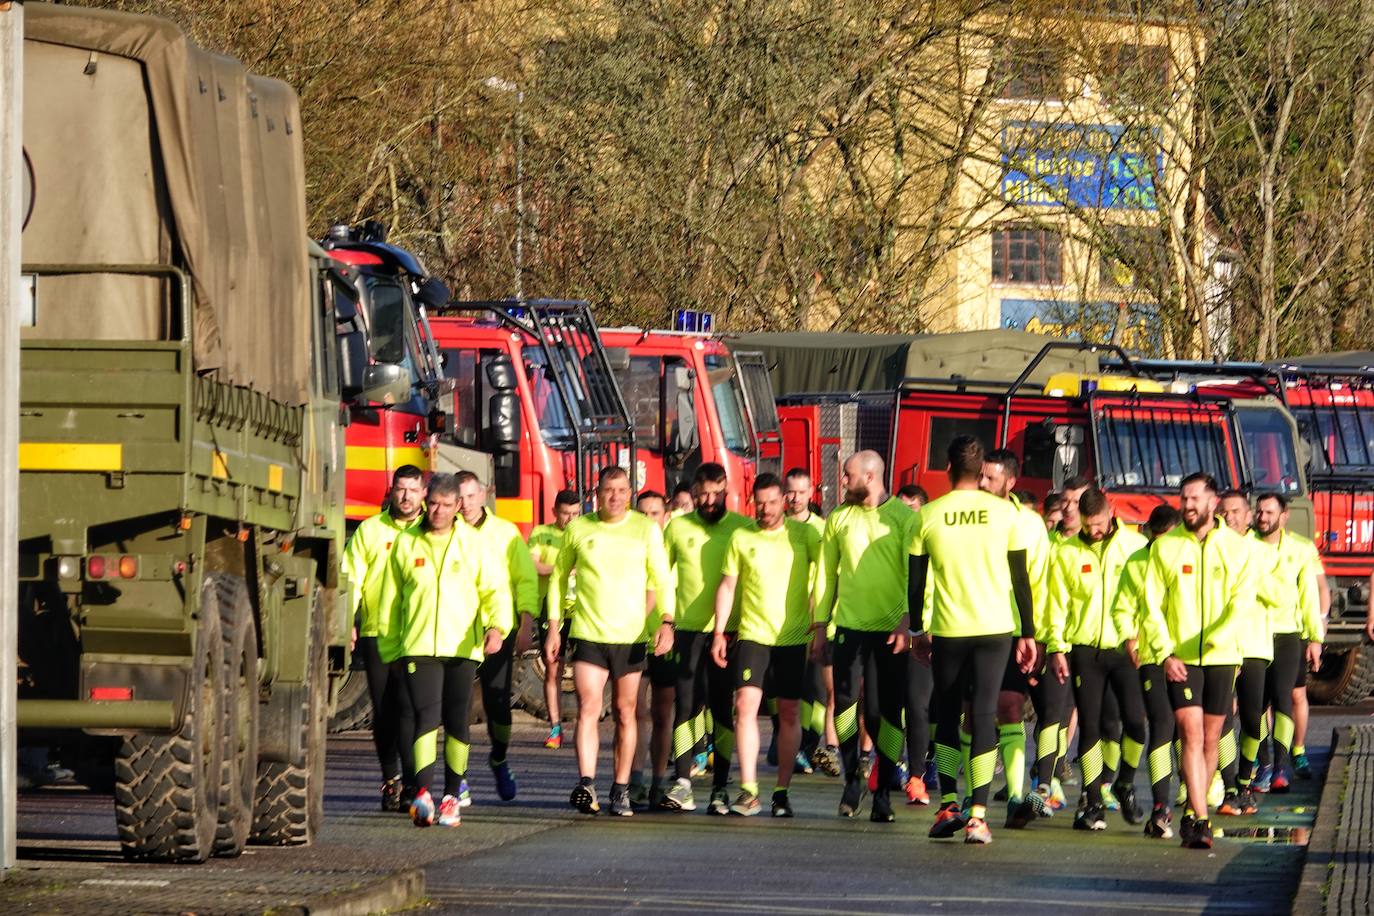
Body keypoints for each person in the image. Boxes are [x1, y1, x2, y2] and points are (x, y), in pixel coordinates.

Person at [910, 436, 1035, 845]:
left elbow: (916, 582)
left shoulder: (927, 514)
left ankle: (949, 803)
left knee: (947, 715)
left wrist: (916, 631)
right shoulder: (1005, 514)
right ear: (982, 472)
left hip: (949, 628)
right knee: (983, 715)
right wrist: (1028, 633)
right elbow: (1021, 579)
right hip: (995, 629)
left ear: (948, 468)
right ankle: (978, 817)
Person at [546, 467, 675, 816]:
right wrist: (554, 627)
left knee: (625, 711)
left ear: (629, 493)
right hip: (589, 632)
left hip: (630, 635)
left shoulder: (644, 529)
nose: (615, 497)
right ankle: (586, 783)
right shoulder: (578, 528)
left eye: (621, 490)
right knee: (589, 707)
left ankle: (621, 788)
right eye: (608, 490)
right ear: (596, 493)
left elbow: (662, 579)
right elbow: (558, 578)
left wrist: (666, 621)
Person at [387, 473, 510, 828]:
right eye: (434, 504)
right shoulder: (408, 543)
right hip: (419, 644)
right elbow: (394, 601)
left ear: (459, 506)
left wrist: (496, 627)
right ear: (427, 503)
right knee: (425, 717)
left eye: (446, 504)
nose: (438, 511)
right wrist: (391, 647)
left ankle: (451, 797)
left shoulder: (474, 544)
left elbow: (495, 590)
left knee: (457, 721)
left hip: (462, 646)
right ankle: (423, 793)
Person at [1141, 472, 1255, 849]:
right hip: (1182, 658)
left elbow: (1242, 601)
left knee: (1210, 739)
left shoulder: (1236, 548)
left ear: (1212, 502)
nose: (1187, 506)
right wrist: (1165, 651)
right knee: (1189, 734)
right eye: (1183, 499)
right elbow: (1151, 606)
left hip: (1222, 657)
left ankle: (1192, 809)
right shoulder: (1166, 547)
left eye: (1194, 499)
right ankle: (1202, 820)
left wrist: (1222, 637)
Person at [814, 450, 918, 823]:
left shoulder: (904, 519)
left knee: (882, 713)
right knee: (843, 704)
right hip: (848, 628)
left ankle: (884, 791)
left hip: (890, 632)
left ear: (871, 477)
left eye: (848, 475)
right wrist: (819, 624)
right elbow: (826, 573)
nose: (842, 481)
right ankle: (852, 777)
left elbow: (915, 575)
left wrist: (908, 622)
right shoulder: (839, 518)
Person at [711, 473, 822, 817]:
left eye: (773, 501)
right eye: (760, 502)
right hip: (752, 635)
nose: (766, 508)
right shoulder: (742, 537)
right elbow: (728, 586)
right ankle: (749, 790)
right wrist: (718, 631)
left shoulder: (805, 534)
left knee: (789, 713)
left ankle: (781, 792)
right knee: (744, 706)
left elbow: (827, 574)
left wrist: (819, 626)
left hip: (792, 638)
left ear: (784, 502)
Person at [1046, 486, 1149, 832]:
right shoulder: (1068, 553)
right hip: (1085, 648)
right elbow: (1056, 604)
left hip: (1126, 648)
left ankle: (1125, 782)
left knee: (1134, 722)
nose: (1095, 531)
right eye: (1088, 525)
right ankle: (1092, 801)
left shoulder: (1135, 548)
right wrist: (1056, 647)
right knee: (1089, 727)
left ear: (1111, 510)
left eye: (1100, 523)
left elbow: (1149, 598)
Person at [662, 464, 753, 815]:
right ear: (694, 493)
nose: (710, 500)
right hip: (687, 630)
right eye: (704, 494)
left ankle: (721, 787)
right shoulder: (678, 527)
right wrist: (665, 621)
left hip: (729, 632)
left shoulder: (742, 527)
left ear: (727, 488)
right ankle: (683, 782)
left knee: (721, 707)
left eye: (717, 493)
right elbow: (660, 575)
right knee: (684, 706)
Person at [341, 465, 425, 812]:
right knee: (384, 713)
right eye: (400, 489)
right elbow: (351, 576)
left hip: (417, 636)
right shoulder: (370, 530)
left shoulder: (431, 530)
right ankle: (390, 779)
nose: (405, 497)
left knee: (410, 711)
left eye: (412, 490)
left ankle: (412, 782)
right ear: (391, 491)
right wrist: (347, 621)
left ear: (423, 493)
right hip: (377, 632)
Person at [979, 450, 1055, 827]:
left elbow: (1039, 581)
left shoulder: (1029, 524)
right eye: (981, 476)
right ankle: (964, 798)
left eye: (991, 478)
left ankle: (1013, 797)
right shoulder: (968, 516)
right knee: (970, 716)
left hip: (1011, 630)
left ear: (1010, 482)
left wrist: (1036, 635)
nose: (982, 484)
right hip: (967, 625)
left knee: (1009, 706)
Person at [457, 472, 538, 803]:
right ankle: (457, 776)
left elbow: (525, 578)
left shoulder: (506, 533)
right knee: (457, 706)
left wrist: (526, 620)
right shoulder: (447, 532)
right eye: (460, 497)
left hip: (498, 629)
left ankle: (499, 759)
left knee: (497, 703)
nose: (466, 504)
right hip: (457, 631)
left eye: (471, 496)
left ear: (483, 495)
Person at [1115, 504, 1182, 839]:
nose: (1162, 547)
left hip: (1189, 656)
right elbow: (1123, 605)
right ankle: (1160, 808)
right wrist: (1129, 636)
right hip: (1152, 655)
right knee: (1162, 723)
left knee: (1189, 729)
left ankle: (1197, 798)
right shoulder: (1138, 562)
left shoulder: (1191, 559)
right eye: (1156, 540)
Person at [1252, 492, 1324, 792]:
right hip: (1253, 633)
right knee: (1254, 704)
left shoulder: (1301, 549)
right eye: (1259, 512)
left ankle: (1282, 765)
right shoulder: (1245, 546)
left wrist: (1315, 637)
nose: (1262, 517)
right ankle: (1262, 763)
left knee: (1284, 698)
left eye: (1269, 512)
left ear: (1283, 517)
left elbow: (1310, 594)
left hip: (1287, 634)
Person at [1216, 490, 1274, 817]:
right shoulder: (1212, 546)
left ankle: (1244, 781)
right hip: (1221, 647)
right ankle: (1229, 788)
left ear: (1249, 515)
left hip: (1253, 645)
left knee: (1252, 719)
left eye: (1237, 511)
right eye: (1225, 511)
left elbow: (1277, 594)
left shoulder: (1260, 551)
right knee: (1222, 719)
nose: (1231, 517)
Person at [785, 467, 838, 777]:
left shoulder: (821, 529)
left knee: (818, 688)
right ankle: (790, 742)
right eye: (790, 491)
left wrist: (822, 614)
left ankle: (809, 746)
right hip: (780, 621)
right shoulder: (771, 526)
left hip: (815, 621)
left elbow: (829, 574)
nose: (795, 498)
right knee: (787, 691)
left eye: (801, 492)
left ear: (811, 494)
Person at [632, 489, 676, 807]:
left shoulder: (675, 548)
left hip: (667, 639)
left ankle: (659, 781)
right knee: (635, 712)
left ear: (666, 516)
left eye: (655, 513)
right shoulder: (629, 548)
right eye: (643, 513)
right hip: (633, 637)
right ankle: (634, 779)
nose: (649, 519)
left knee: (662, 713)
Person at [530, 490, 582, 750]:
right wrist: (564, 569)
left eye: (575, 513)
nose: (570, 519)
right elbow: (535, 566)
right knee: (553, 668)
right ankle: (555, 728)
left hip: (582, 609)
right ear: (554, 512)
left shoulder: (585, 531)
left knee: (586, 672)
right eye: (565, 514)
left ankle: (586, 725)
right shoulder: (541, 533)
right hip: (552, 608)